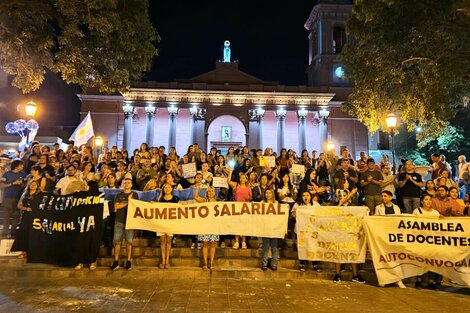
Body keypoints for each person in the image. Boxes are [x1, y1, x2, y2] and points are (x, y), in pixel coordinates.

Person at [110, 178, 138, 271]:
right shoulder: (119, 195)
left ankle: (128, 260)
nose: (126, 184)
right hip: (119, 220)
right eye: (125, 183)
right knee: (117, 241)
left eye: (128, 183)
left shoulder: (135, 195)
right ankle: (116, 260)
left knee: (129, 241)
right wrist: (128, 202)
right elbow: (116, 206)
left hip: (130, 221)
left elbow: (137, 206)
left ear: (131, 184)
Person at [413, 194, 441, 289]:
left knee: (432, 261)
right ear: (421, 201)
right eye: (426, 199)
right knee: (420, 260)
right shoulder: (417, 211)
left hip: (432, 240)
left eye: (430, 199)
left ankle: (431, 281)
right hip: (420, 240)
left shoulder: (435, 213)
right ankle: (419, 280)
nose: (428, 201)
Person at [11, 180, 42, 258]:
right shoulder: (25, 194)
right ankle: (24, 252)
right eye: (31, 184)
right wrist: (25, 208)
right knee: (23, 233)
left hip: (35, 216)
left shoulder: (39, 195)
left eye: (35, 184)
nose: (33, 186)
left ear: (37, 186)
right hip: (25, 216)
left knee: (33, 234)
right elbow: (19, 205)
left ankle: (32, 252)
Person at [292, 191, 321, 272]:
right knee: (302, 246)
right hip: (301, 229)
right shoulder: (297, 205)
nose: (306, 197)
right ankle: (302, 263)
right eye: (303, 195)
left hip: (313, 230)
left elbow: (321, 214)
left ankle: (315, 263)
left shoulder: (315, 204)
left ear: (310, 196)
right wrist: (296, 212)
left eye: (307, 195)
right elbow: (292, 215)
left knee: (313, 246)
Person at [194, 186, 219, 270]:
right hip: (204, 225)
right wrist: (197, 188)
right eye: (209, 191)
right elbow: (196, 197)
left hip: (214, 225)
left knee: (212, 243)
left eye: (212, 191)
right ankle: (205, 263)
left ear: (214, 193)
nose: (211, 193)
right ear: (207, 193)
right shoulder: (204, 201)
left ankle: (211, 263)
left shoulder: (217, 202)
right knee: (205, 243)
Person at [0, 160, 26, 238]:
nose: (22, 167)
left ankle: (13, 232)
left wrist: (22, 184)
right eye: (21, 165)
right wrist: (13, 183)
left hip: (18, 198)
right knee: (7, 215)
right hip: (8, 197)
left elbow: (25, 183)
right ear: (16, 166)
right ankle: (5, 232)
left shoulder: (23, 174)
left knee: (16, 216)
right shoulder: (7, 174)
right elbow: (1, 185)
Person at [227, 169, 252, 249]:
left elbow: (250, 198)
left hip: (245, 209)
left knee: (244, 225)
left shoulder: (249, 188)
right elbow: (228, 181)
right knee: (237, 225)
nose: (242, 179)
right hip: (237, 208)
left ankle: (244, 241)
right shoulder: (236, 185)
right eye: (241, 178)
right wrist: (230, 171)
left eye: (244, 178)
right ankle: (237, 241)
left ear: (246, 179)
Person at [158, 183, 179, 268]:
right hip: (161, 223)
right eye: (165, 187)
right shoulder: (160, 199)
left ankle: (167, 260)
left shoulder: (176, 199)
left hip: (171, 223)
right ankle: (163, 260)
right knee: (162, 241)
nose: (167, 189)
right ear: (163, 189)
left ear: (171, 189)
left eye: (169, 187)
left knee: (169, 241)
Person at [260, 189, 280, 271]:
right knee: (265, 247)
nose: (268, 194)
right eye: (266, 193)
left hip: (274, 228)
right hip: (265, 227)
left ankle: (274, 263)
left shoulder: (276, 203)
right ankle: (264, 263)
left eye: (269, 193)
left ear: (273, 194)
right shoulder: (262, 203)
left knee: (274, 247)